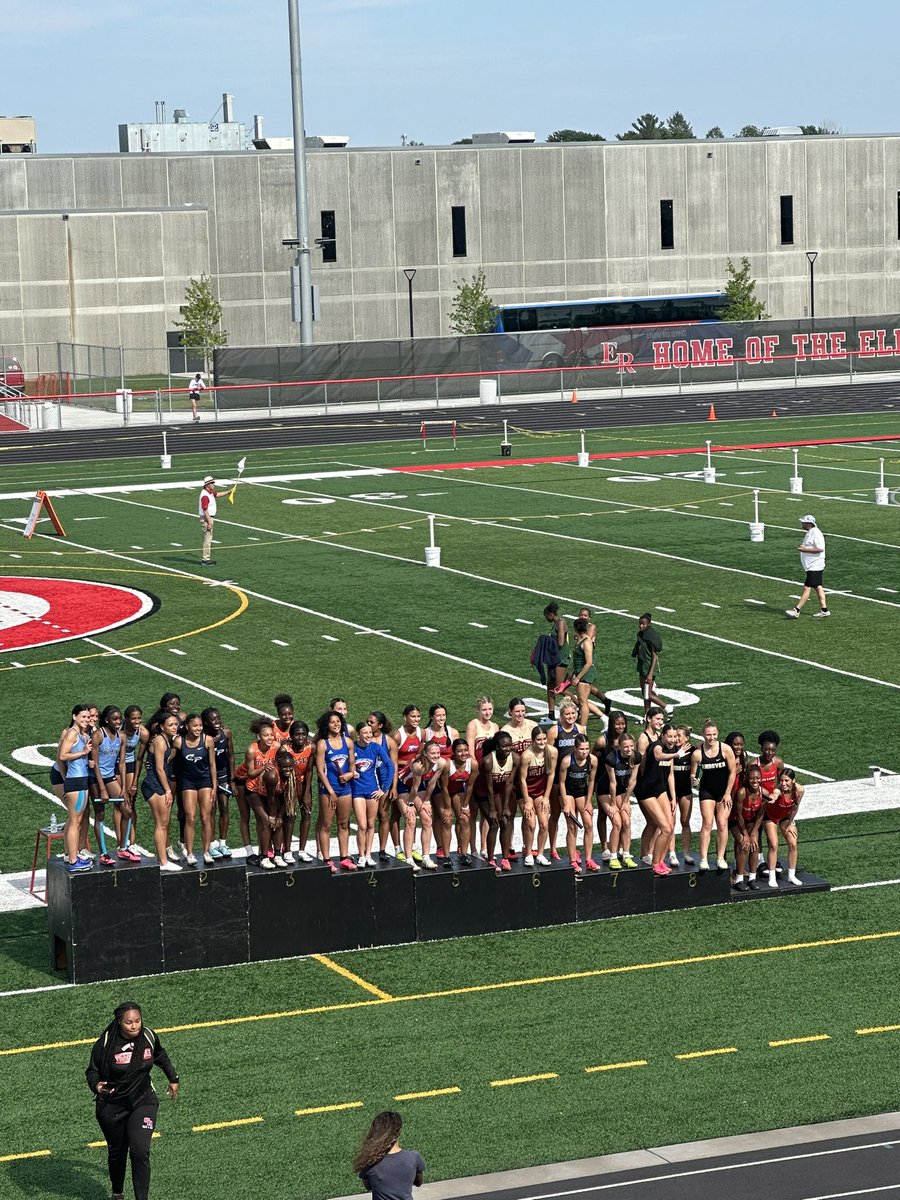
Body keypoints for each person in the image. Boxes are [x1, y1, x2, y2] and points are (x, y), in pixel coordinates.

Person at [86, 1001, 179, 1200]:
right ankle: (117, 1193)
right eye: (129, 1022)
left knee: (139, 1150)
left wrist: (173, 1078)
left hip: (143, 1101)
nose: (135, 1026)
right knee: (117, 1152)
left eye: (138, 1021)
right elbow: (92, 1070)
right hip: (112, 1106)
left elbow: (159, 1054)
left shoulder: (148, 1036)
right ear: (119, 1022)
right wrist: (97, 1086)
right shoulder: (106, 1043)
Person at [690, 721, 737, 872]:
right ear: (703, 735)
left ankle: (720, 857)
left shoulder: (725, 749)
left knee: (722, 823)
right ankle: (703, 859)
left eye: (714, 734)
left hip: (723, 792)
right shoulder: (698, 753)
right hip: (707, 791)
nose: (711, 738)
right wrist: (693, 779)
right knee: (707, 823)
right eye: (708, 735)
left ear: (718, 734)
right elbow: (693, 773)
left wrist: (728, 793)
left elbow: (732, 772)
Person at [353, 1111, 424, 1200]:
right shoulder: (413, 1157)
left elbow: (368, 1186)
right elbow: (418, 1182)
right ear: (398, 1133)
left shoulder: (369, 1161)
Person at [764, 769, 805, 888]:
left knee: (793, 843)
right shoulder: (779, 790)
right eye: (781, 780)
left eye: (786, 781)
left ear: (793, 781)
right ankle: (772, 877)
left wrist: (790, 822)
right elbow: (775, 794)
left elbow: (795, 807)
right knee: (773, 844)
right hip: (770, 817)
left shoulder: (799, 790)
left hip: (785, 817)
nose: (783, 783)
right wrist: (772, 797)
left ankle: (791, 875)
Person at [786, 514, 830, 618]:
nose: (802, 524)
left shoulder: (816, 533)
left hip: (814, 565)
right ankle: (824, 609)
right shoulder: (811, 532)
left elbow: (820, 549)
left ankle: (797, 610)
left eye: (804, 522)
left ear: (809, 523)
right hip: (811, 565)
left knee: (807, 587)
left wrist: (805, 550)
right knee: (818, 586)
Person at [631, 613, 670, 717]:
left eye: (643, 624)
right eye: (640, 624)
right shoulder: (641, 634)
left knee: (648, 694)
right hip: (642, 666)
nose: (641, 626)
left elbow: (654, 656)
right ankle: (647, 714)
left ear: (649, 624)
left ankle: (667, 708)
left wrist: (650, 673)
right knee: (645, 694)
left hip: (649, 668)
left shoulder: (651, 637)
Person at [198, 475, 226, 567]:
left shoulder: (209, 492)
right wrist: (209, 522)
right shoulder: (205, 495)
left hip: (208, 517)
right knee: (207, 539)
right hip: (207, 518)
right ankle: (205, 559)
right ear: (207, 484)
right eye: (212, 483)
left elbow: (217, 494)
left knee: (208, 538)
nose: (214, 484)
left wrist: (229, 492)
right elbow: (205, 510)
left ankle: (207, 558)